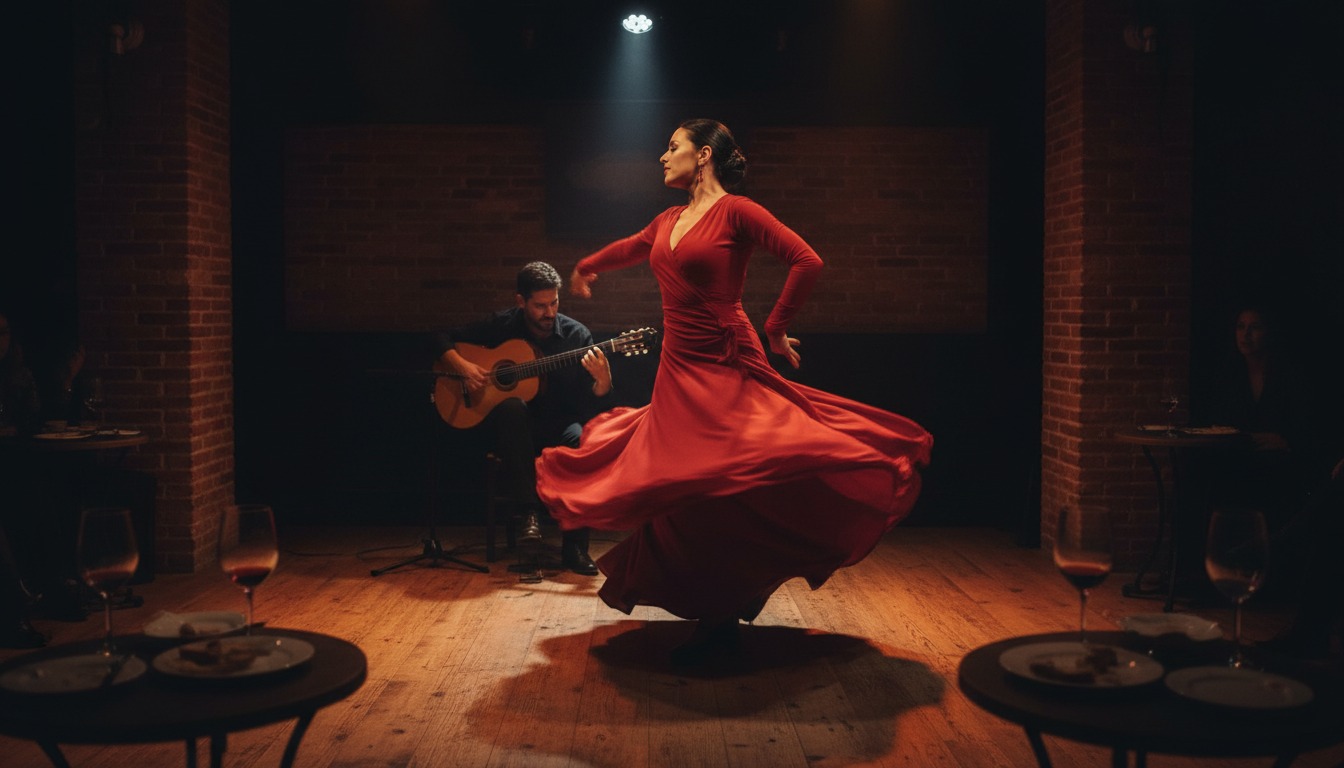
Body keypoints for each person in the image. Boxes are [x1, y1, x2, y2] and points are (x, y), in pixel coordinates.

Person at [536, 119, 933, 664]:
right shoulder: (668, 219)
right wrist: (585, 267)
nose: (661, 157)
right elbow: (630, 247)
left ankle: (721, 615)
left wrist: (773, 328)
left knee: (723, 476)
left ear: (703, 156)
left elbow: (807, 260)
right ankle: (727, 598)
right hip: (679, 367)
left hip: (726, 358)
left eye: (671, 147)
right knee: (684, 482)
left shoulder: (738, 211)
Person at [436, 261, 612, 575]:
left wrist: (603, 384)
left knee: (583, 439)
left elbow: (591, 401)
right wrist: (462, 367)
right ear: (521, 301)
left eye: (555, 302)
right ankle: (529, 513)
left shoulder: (576, 336)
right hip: (513, 429)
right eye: (540, 305)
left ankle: (574, 548)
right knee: (512, 406)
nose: (549, 312)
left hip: (560, 422)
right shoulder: (502, 325)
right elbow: (441, 338)